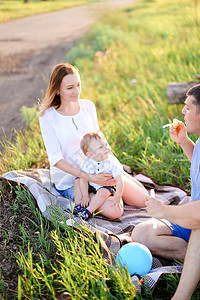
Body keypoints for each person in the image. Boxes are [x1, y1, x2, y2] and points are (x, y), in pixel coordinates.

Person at [39, 62, 147, 220]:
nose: (77, 91)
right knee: (115, 211)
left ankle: (120, 176)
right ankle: (93, 197)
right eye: (70, 88)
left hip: (100, 167)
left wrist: (114, 167)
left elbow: (100, 141)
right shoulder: (48, 116)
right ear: (57, 90)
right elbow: (56, 159)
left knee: (144, 200)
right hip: (72, 179)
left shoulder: (88, 106)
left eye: (78, 85)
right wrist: (90, 178)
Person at [131, 84, 200, 299]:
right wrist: (184, 142)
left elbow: (198, 216)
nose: (182, 112)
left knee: (198, 228)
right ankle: (192, 261)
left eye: (188, 107)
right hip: (192, 216)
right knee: (141, 233)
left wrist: (163, 211)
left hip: (197, 218)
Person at [74, 132, 124, 220]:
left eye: (105, 144)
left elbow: (120, 181)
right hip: (90, 184)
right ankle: (78, 205)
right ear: (90, 155)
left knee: (103, 192)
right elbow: (83, 179)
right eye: (101, 147)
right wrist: (85, 195)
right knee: (78, 181)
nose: (106, 148)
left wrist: (117, 197)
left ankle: (88, 211)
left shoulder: (111, 163)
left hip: (104, 186)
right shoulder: (87, 163)